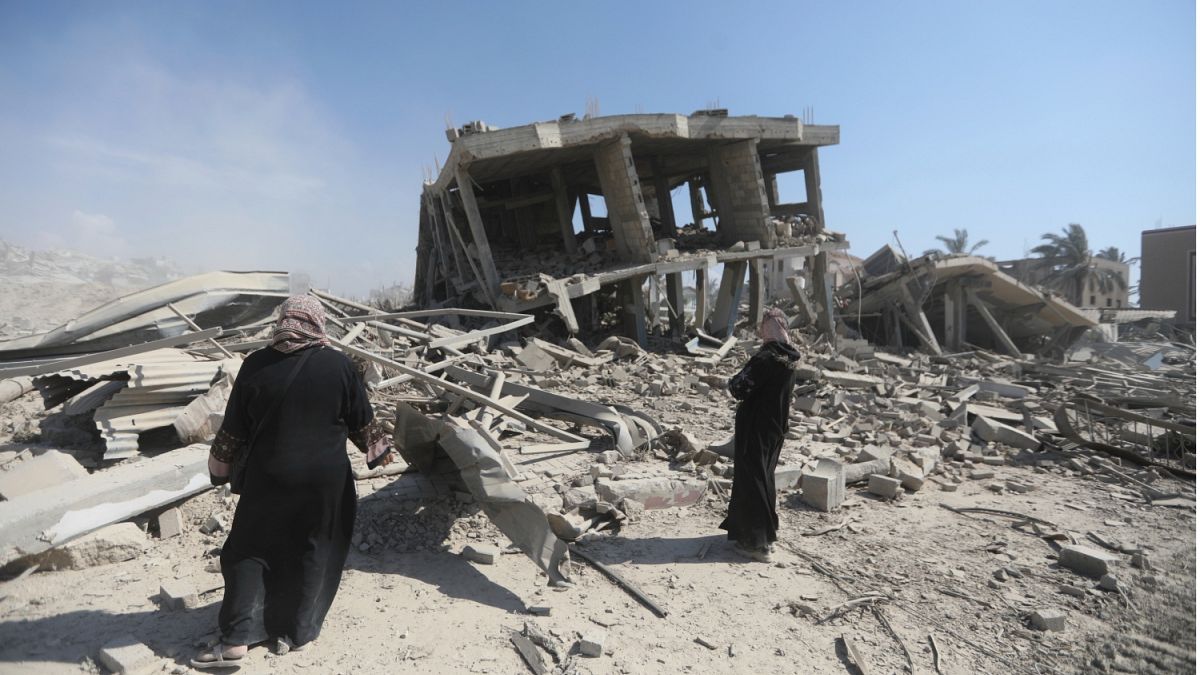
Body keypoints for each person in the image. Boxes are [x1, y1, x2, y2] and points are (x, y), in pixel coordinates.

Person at [191, 295, 393, 669]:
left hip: (269, 479)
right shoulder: (339, 365)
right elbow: (362, 421)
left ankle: (236, 639)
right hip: (325, 483)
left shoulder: (256, 365)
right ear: (318, 323)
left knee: (249, 550)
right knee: (314, 549)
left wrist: (219, 470)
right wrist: (379, 452)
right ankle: (299, 632)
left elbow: (233, 430)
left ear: (283, 321)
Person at [718, 308, 801, 563]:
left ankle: (756, 544)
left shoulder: (767, 357)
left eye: (763, 325)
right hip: (775, 427)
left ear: (768, 328)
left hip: (755, 426)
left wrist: (731, 381)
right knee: (764, 477)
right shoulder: (791, 357)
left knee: (752, 479)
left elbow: (738, 387)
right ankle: (765, 535)